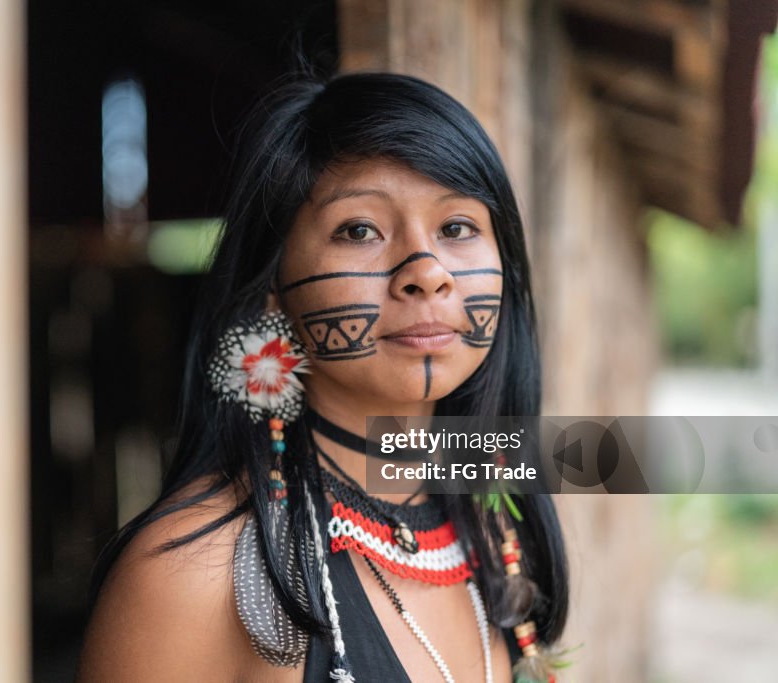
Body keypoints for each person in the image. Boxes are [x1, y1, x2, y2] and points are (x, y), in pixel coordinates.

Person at [76, 72, 570, 683]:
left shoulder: (500, 530)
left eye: (457, 227)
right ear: (274, 291)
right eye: (359, 230)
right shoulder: (194, 574)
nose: (428, 271)